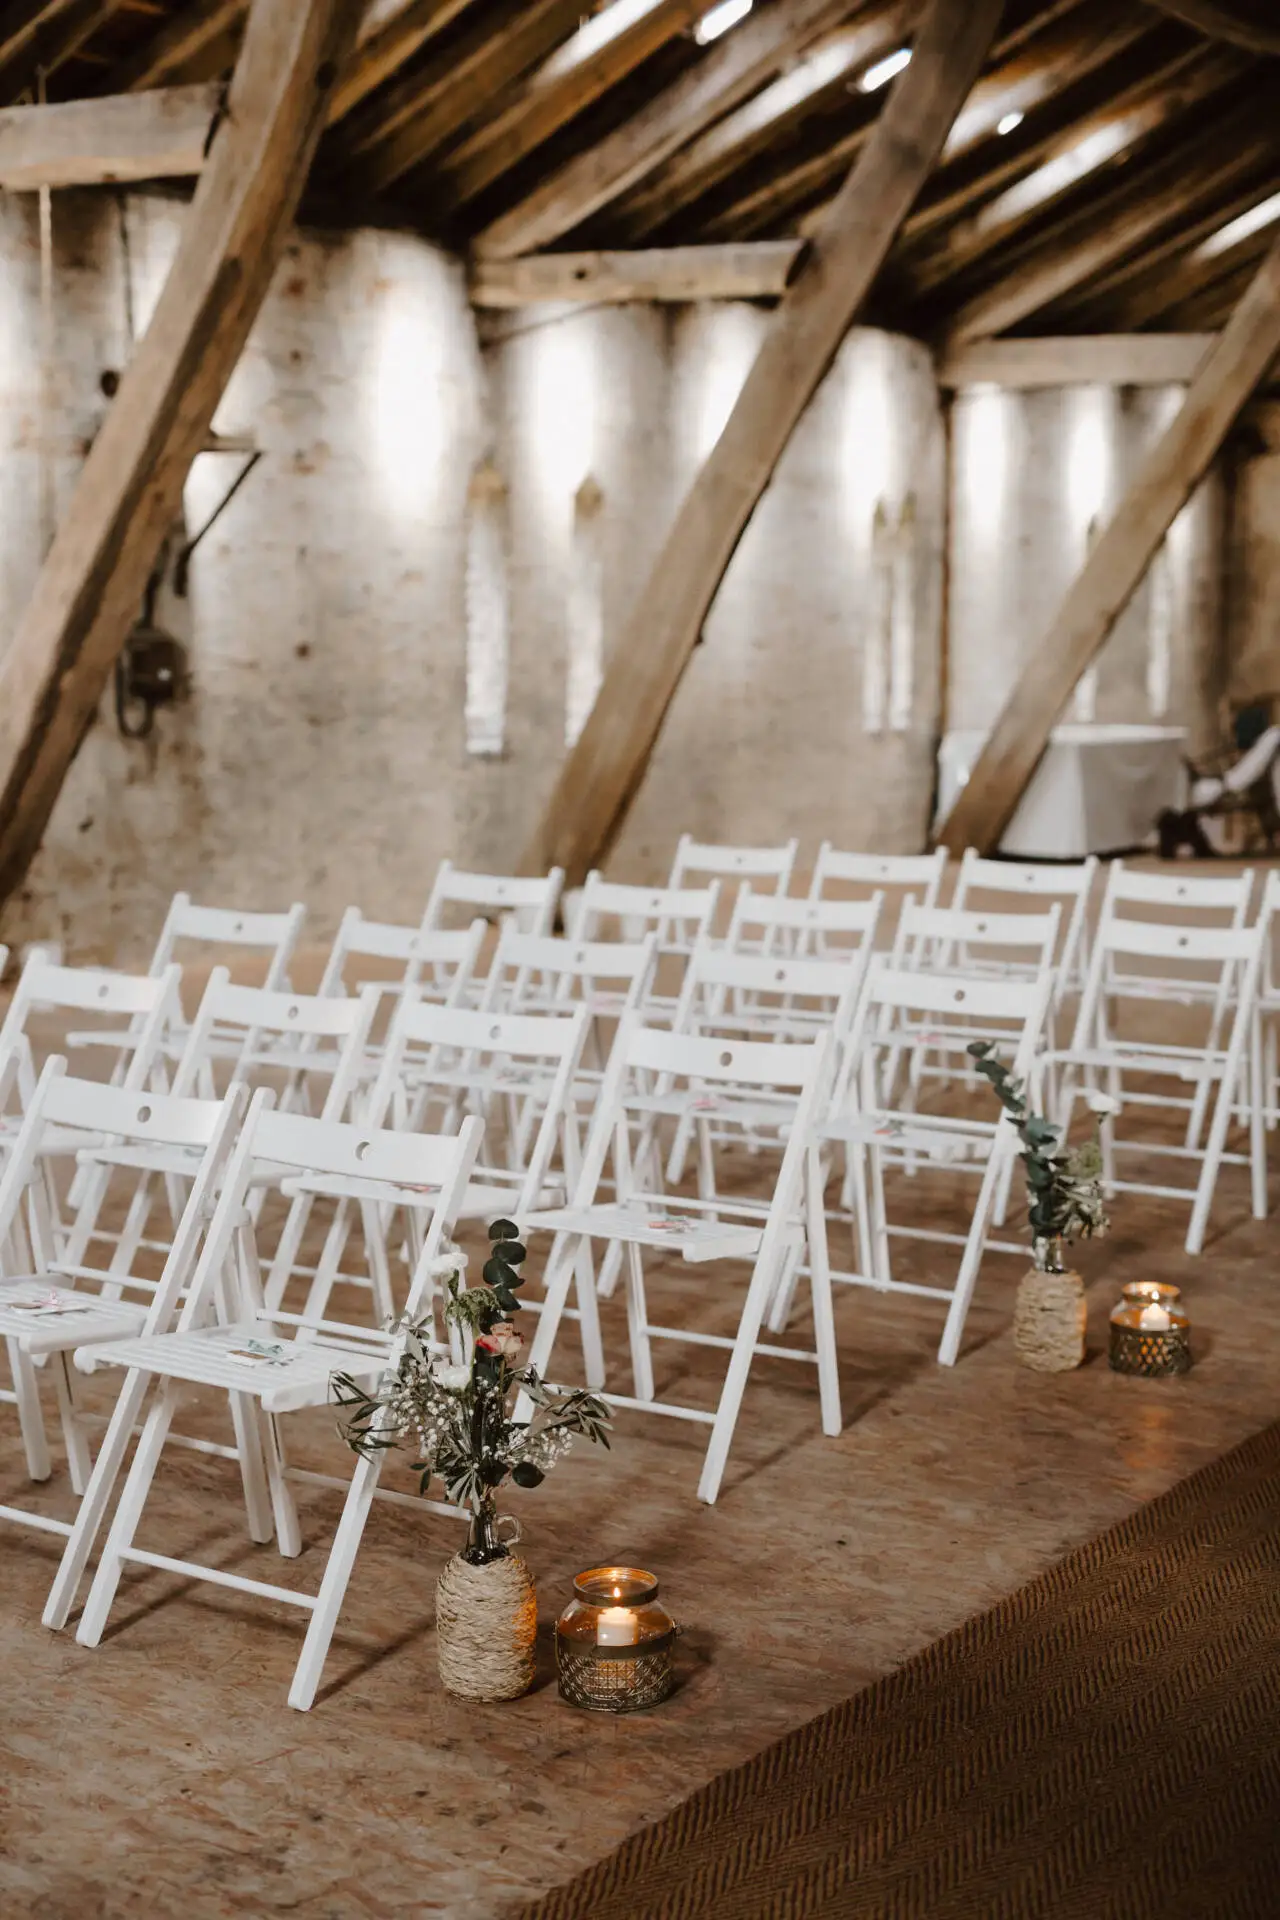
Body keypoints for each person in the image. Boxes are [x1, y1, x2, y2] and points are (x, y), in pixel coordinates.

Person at [1157, 704, 1280, 858]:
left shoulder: (1273, 737)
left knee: (1191, 792)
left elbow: (1240, 779)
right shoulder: (1272, 738)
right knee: (1189, 791)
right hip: (1236, 784)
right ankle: (1183, 829)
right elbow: (1243, 775)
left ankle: (1179, 826)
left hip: (1236, 786)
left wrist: (1222, 784)